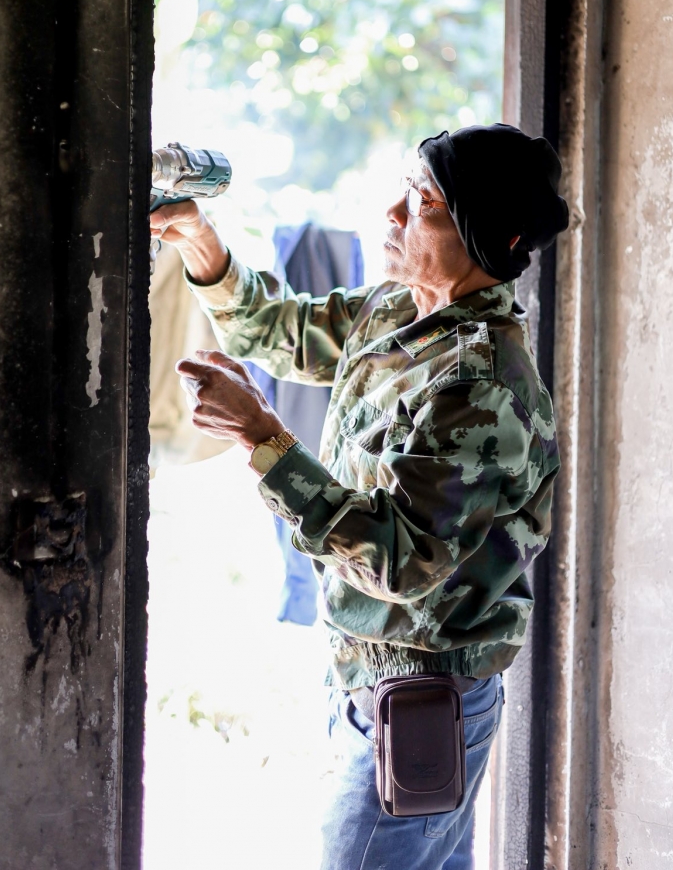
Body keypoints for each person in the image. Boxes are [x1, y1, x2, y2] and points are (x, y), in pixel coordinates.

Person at [149, 123, 569, 870]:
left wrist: (263, 437)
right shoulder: (398, 308)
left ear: (485, 237)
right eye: (405, 190)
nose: (393, 214)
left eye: (425, 203)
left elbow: (400, 558)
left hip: (424, 695)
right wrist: (198, 239)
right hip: (369, 675)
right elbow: (279, 331)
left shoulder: (480, 382)